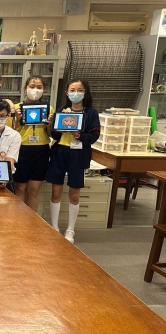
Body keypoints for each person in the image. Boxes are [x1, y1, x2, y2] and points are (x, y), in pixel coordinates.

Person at [46, 78, 100, 244]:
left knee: (74, 194)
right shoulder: (62, 110)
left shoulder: (91, 113)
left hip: (78, 154)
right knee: (56, 191)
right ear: (66, 93)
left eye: (80, 90)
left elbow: (94, 136)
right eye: (72, 90)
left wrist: (78, 135)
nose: (76, 93)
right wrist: (51, 124)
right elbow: (55, 135)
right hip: (59, 153)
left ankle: (70, 230)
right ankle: (54, 227)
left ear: (85, 92)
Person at [13, 76, 54, 212]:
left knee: (34, 189)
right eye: (32, 86)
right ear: (25, 89)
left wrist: (49, 124)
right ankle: (19, 220)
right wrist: (17, 120)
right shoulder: (16, 108)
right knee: (20, 188)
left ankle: (31, 221)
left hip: (41, 151)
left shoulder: (49, 109)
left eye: (39, 87)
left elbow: (50, 134)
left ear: (44, 90)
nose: (35, 90)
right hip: (21, 150)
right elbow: (10, 133)